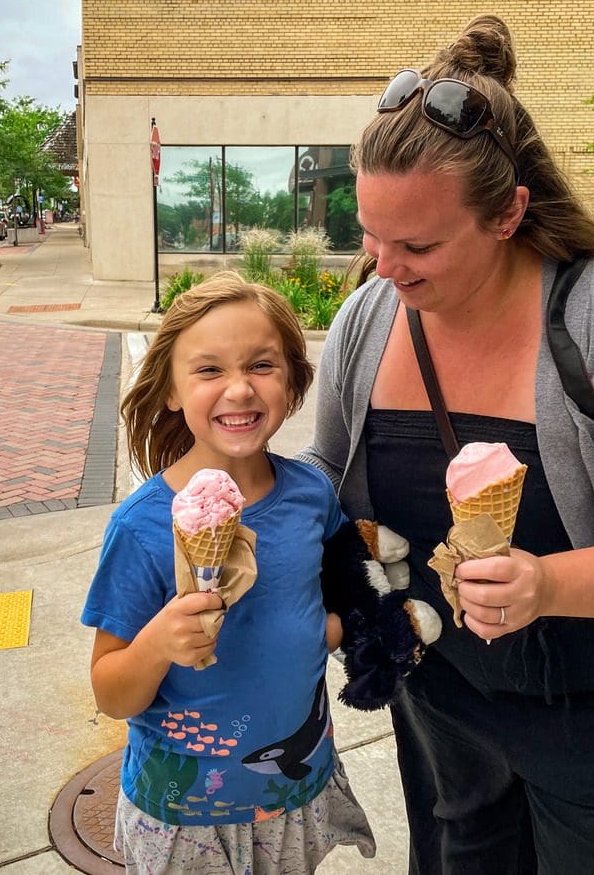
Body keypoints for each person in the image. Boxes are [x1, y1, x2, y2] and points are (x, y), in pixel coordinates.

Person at [298, 15, 594, 875]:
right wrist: (251, 504)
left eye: (418, 244)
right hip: (440, 699)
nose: (382, 267)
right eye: (369, 233)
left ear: (508, 214)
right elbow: (328, 471)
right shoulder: (369, 318)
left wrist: (546, 583)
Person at [82, 272, 375, 873]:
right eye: (209, 370)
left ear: (292, 382)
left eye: (262, 366)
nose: (239, 389)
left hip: (293, 792)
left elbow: (312, 602)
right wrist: (160, 640)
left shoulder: (312, 497)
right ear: (169, 390)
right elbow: (111, 693)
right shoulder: (142, 528)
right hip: (183, 810)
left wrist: (333, 631)